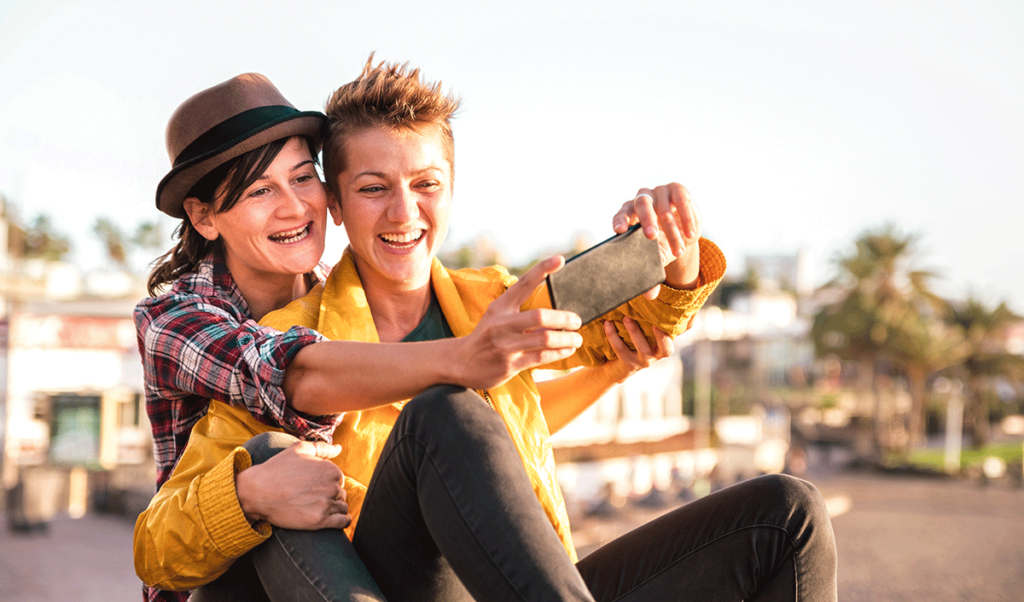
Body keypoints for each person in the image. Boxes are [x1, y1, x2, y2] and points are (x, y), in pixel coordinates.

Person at [136, 58, 837, 601]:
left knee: (788, 511)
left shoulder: (496, 299)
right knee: (445, 413)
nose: (402, 212)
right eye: (373, 187)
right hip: (367, 584)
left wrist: (672, 253)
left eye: (427, 184)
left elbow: (637, 320)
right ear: (342, 206)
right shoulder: (262, 337)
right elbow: (167, 534)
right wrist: (251, 494)